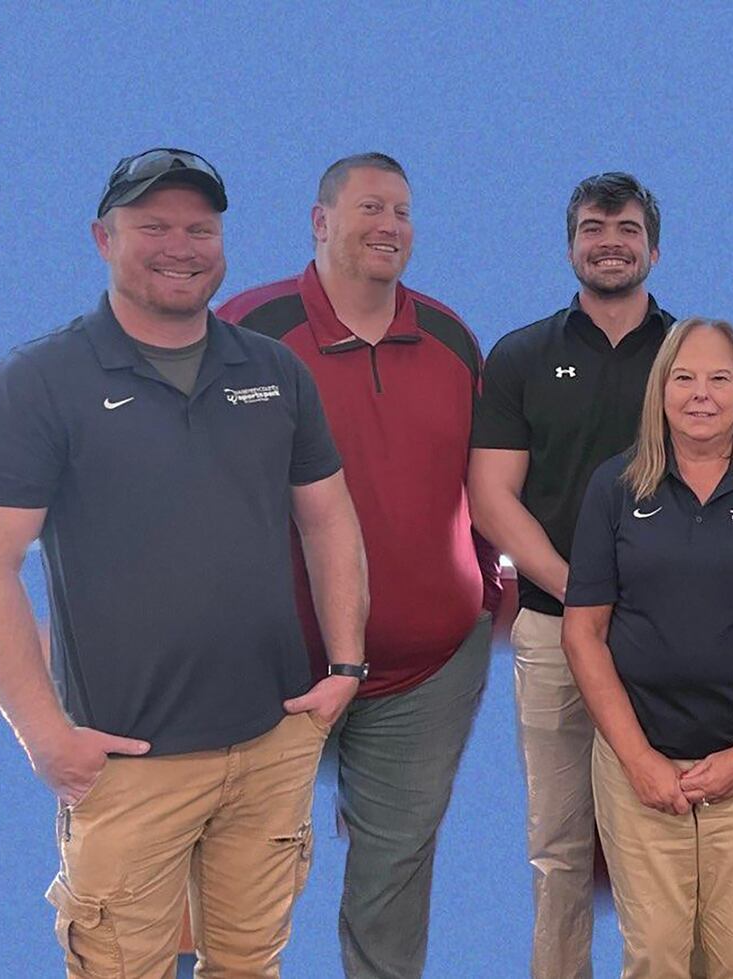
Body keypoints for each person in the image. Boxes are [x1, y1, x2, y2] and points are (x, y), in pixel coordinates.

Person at [0, 148, 368, 977]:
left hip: (272, 742)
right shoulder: (41, 381)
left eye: (199, 228)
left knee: (250, 962)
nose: (180, 245)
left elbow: (329, 520)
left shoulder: (273, 370)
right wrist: (43, 735)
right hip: (127, 767)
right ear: (103, 238)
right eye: (153, 227)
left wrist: (347, 663)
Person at [216, 152, 502, 978]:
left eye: (404, 212)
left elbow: (487, 483)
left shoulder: (450, 336)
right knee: (241, 872)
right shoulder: (251, 331)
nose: (390, 226)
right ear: (320, 220)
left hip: (429, 669)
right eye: (371, 207)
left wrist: (495, 593)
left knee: (393, 880)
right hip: (279, 672)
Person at [563, 316, 733, 978]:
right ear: (660, 391)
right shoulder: (617, 486)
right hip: (640, 764)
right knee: (656, 952)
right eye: (683, 377)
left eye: (719, 378)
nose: (701, 393)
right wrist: (638, 759)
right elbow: (583, 632)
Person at [472, 172, 674, 979]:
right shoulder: (523, 354)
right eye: (595, 227)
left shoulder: (692, 353)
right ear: (570, 247)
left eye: (627, 227)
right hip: (553, 628)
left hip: (670, 639)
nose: (611, 240)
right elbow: (492, 496)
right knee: (559, 846)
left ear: (653, 247)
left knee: (660, 838)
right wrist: (582, 590)